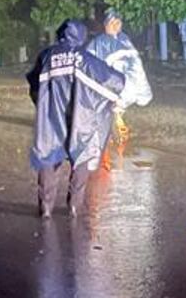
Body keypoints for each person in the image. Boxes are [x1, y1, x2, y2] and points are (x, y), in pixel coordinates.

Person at [27, 19, 125, 217]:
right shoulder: (83, 57)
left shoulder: (47, 56)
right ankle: (74, 206)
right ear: (81, 36)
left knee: (48, 157)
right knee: (80, 155)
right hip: (80, 117)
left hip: (51, 116)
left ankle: (45, 207)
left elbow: (34, 83)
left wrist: (43, 105)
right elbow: (113, 80)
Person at [84, 9, 152, 167]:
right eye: (112, 22)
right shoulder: (97, 43)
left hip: (126, 89)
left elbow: (136, 65)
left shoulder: (125, 40)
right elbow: (89, 65)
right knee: (107, 120)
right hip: (107, 90)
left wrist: (141, 90)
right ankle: (109, 153)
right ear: (105, 25)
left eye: (118, 22)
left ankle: (117, 148)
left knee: (116, 118)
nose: (116, 25)